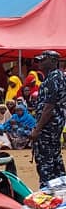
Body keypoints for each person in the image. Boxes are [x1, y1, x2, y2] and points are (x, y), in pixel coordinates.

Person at [29, 50, 66, 187]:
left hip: (47, 127)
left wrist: (37, 130)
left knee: (45, 161)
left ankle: (46, 190)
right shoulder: (57, 76)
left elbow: (49, 107)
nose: (40, 62)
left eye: (43, 60)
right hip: (54, 125)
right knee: (55, 159)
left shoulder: (53, 78)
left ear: (53, 61)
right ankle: (60, 188)